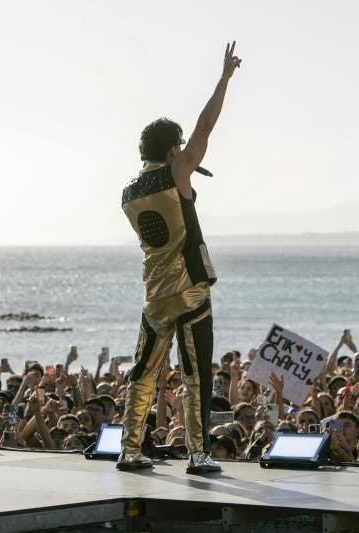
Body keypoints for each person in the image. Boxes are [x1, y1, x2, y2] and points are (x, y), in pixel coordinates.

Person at [117, 42, 243, 474]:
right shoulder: (177, 173)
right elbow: (206, 126)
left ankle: (130, 450)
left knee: (143, 372)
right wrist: (224, 79)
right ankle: (198, 453)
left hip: (153, 294)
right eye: (182, 146)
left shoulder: (128, 193)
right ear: (173, 150)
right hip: (189, 289)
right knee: (195, 375)